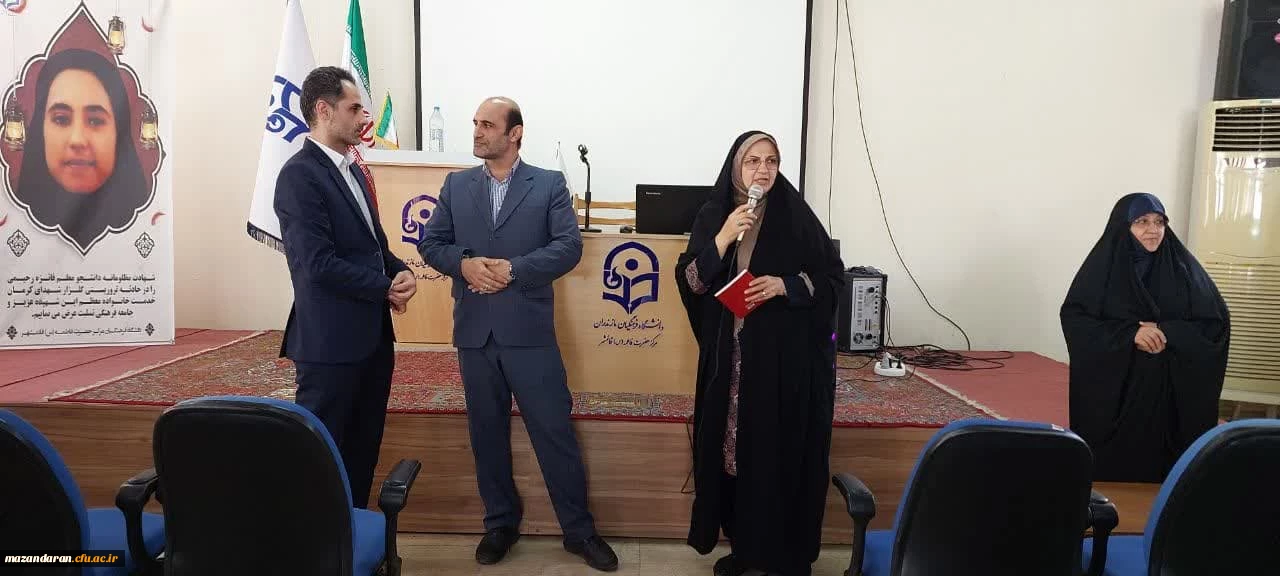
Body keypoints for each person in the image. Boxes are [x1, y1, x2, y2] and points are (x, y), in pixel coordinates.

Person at [417, 97, 618, 571]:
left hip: (529, 334)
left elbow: (568, 247)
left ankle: (579, 532)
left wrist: (514, 270)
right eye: (475, 123)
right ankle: (500, 525)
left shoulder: (548, 184)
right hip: (475, 334)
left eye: (488, 124)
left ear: (515, 134)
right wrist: (464, 263)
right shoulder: (456, 185)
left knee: (554, 433)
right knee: (486, 435)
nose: (477, 131)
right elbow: (431, 243)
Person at [676, 131, 845, 576]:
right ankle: (745, 550)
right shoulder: (715, 214)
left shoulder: (795, 214)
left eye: (771, 161)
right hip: (731, 363)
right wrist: (722, 239)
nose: (763, 170)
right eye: (753, 161)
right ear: (736, 166)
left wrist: (785, 286)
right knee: (734, 458)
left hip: (783, 366)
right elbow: (691, 281)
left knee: (780, 454)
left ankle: (786, 556)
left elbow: (832, 278)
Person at [273, 66, 417, 508]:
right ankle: (317, 542)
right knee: (320, 459)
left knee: (361, 452)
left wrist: (400, 271)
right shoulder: (299, 176)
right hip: (330, 345)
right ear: (323, 110)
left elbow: (374, 246)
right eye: (354, 108)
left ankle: (353, 536)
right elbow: (317, 264)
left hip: (372, 340)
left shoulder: (352, 171)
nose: (363, 118)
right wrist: (384, 288)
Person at [1061, 192, 1230, 482]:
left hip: (1169, 391)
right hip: (1120, 390)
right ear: (1123, 226)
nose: (1153, 230)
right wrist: (1130, 334)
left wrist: (1167, 331)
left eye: (1159, 221)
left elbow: (1215, 323)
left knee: (1172, 473)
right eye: (1142, 221)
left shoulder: (1183, 269)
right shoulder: (1102, 270)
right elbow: (1077, 319)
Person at [14, 48, 150, 254]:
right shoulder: (13, 221)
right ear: (40, 132)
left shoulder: (146, 227)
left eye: (95, 121)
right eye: (61, 119)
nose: (77, 140)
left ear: (119, 133)